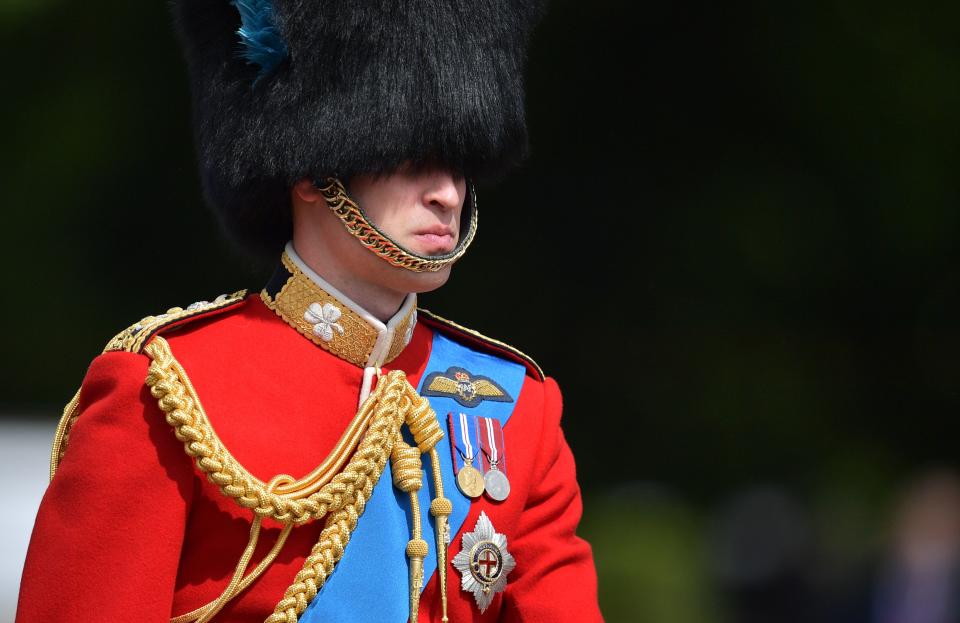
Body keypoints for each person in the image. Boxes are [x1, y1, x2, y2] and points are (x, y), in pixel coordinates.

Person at [16, 1, 602, 622]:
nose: (448, 193)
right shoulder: (163, 389)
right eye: (412, 158)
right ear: (314, 172)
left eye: (459, 163)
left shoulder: (515, 407)